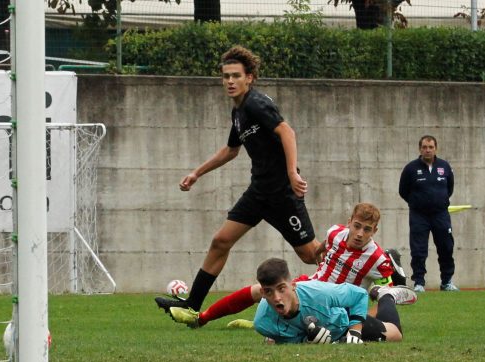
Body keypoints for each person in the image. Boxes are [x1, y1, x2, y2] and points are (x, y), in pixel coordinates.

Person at [155, 45, 320, 314]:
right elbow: (231, 150)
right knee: (221, 241)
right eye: (226, 76)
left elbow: (287, 132)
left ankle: (364, 273)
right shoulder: (239, 112)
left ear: (249, 77)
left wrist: (292, 173)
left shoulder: (256, 103)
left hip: (281, 193)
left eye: (235, 76)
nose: (230, 81)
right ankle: (192, 304)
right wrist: (197, 172)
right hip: (258, 193)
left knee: (311, 255)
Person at [168, 203, 414, 329]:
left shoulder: (378, 259)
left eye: (367, 230)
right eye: (357, 226)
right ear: (349, 222)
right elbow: (322, 247)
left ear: (375, 231)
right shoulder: (335, 233)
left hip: (335, 304)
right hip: (311, 285)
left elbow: (385, 297)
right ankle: (201, 318)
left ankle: (266, 324)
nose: (360, 233)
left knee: (282, 307)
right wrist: (319, 256)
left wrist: (360, 316)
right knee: (261, 289)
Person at [253, 258, 412, 344]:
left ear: (293, 286)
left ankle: (386, 295)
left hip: (343, 319)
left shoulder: (319, 293)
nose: (276, 298)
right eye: (269, 291)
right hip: (332, 334)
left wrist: (354, 332)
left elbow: (358, 295)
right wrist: (308, 341)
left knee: (395, 335)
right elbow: (289, 341)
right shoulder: (262, 323)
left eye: (281, 289)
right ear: (262, 293)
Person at [399, 135, 458, 293]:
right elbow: (403, 191)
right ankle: (419, 283)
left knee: (446, 247)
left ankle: (446, 282)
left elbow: (449, 188)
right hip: (419, 216)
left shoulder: (444, 166)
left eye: (430, 147)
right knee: (418, 250)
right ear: (420, 149)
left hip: (441, 214)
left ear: (435, 148)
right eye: (424, 147)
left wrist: (439, 201)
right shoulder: (411, 168)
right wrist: (417, 202)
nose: (427, 150)